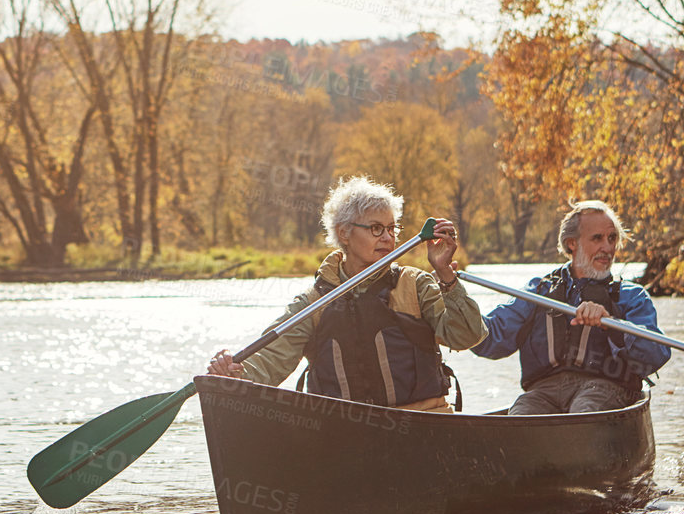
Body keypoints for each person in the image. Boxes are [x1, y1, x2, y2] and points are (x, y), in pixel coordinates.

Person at [207, 175, 486, 412]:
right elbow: (270, 360)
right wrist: (235, 372)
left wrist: (446, 276)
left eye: (392, 229)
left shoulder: (416, 285)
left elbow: (467, 336)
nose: (388, 238)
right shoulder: (314, 302)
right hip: (344, 433)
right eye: (376, 229)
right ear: (344, 233)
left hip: (424, 425)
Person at [473, 200, 670, 413]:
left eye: (612, 238)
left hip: (606, 388)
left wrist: (612, 325)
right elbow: (490, 338)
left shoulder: (631, 296)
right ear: (571, 244)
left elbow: (656, 354)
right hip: (544, 391)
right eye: (597, 238)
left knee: (585, 408)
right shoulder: (539, 291)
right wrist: (453, 298)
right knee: (521, 414)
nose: (608, 247)